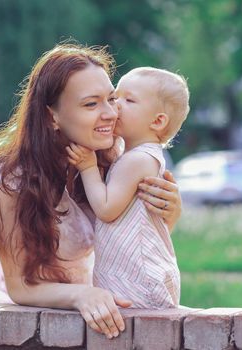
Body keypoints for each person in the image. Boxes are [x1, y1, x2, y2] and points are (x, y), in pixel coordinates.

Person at [0, 43, 182, 340]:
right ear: (51, 115)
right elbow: (19, 286)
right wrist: (81, 295)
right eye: (91, 104)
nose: (110, 113)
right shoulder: (11, 181)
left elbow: (132, 239)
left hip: (101, 313)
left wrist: (169, 214)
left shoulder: (113, 158)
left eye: (112, 99)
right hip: (30, 329)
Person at [67, 67, 189, 309]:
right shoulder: (138, 156)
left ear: (157, 121)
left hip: (136, 279)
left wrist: (88, 167)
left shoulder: (137, 160)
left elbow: (106, 208)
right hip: (140, 273)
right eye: (116, 97)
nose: (116, 106)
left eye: (129, 100)